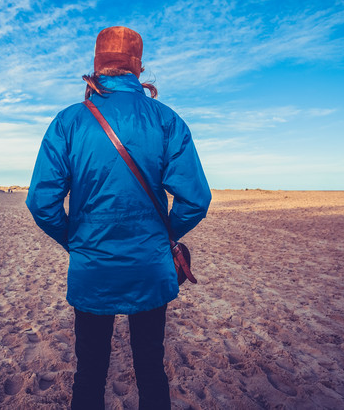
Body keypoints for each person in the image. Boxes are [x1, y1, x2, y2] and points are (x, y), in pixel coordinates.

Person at [26, 26, 211, 409]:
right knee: (150, 368)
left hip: (93, 267)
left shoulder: (69, 121)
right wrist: (162, 238)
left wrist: (74, 240)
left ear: (97, 65)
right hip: (150, 267)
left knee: (89, 373)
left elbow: (41, 203)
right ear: (138, 67)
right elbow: (196, 199)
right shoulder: (166, 120)